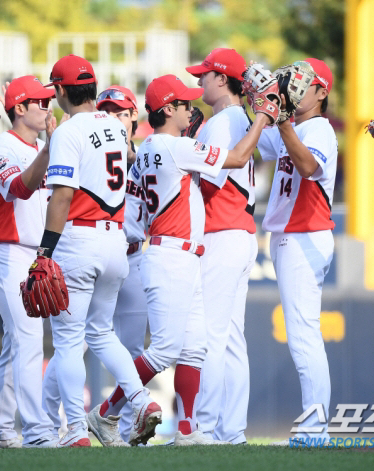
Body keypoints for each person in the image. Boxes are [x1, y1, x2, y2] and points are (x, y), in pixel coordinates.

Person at [94, 74, 272, 446]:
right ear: (168, 109)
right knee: (164, 351)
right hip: (171, 255)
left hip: (175, 252)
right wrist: (262, 118)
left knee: (195, 348)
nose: (192, 109)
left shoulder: (147, 148)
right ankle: (104, 413)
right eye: (184, 104)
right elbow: (239, 158)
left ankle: (188, 429)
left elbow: (135, 215)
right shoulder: (173, 147)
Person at [32, 55, 161, 448]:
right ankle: (140, 400)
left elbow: (62, 197)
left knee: (69, 342)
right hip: (115, 242)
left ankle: (74, 429)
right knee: (102, 333)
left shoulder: (69, 132)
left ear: (58, 91)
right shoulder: (116, 128)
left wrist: (44, 252)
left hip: (80, 238)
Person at [256, 58, 338, 445]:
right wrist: (257, 99)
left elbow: (307, 167)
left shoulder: (319, 128)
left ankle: (315, 429)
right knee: (303, 335)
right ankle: (314, 426)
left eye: (303, 84)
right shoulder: (301, 126)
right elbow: (260, 144)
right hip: (291, 236)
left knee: (304, 336)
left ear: (322, 92)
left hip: (305, 235)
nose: (294, 88)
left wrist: (283, 120)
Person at [0, 75, 61, 448]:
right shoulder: (0, 148)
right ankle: (37, 430)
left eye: (48, 100)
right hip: (6, 249)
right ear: (19, 108)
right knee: (27, 337)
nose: (47, 106)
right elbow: (19, 189)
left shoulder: (44, 144)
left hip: (34, 253)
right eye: (39, 101)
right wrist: (50, 149)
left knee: (17, 343)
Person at [185, 48, 256, 445]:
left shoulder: (222, 121)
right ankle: (232, 431)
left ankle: (207, 427)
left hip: (221, 230)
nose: (200, 82)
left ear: (222, 79)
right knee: (230, 337)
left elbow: (204, 184)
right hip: (240, 231)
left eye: (205, 75)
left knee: (211, 335)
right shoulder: (240, 118)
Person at [88, 85, 148, 444]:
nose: (114, 119)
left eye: (121, 113)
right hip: (98, 257)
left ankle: (129, 431)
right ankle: (50, 428)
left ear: (134, 120)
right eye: (107, 112)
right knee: (76, 344)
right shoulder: (93, 154)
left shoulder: (148, 155)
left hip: (135, 255)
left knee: (134, 350)